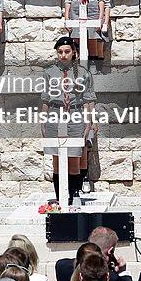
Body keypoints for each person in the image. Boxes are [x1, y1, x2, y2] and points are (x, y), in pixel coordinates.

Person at [40, 37, 96, 203]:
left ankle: (73, 196)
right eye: (60, 52)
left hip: (75, 115)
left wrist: (90, 122)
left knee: (74, 159)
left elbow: (88, 99)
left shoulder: (84, 73)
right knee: (56, 160)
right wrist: (43, 120)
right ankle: (61, 199)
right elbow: (45, 99)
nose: (63, 55)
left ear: (74, 53)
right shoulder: (49, 72)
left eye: (67, 52)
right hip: (55, 115)